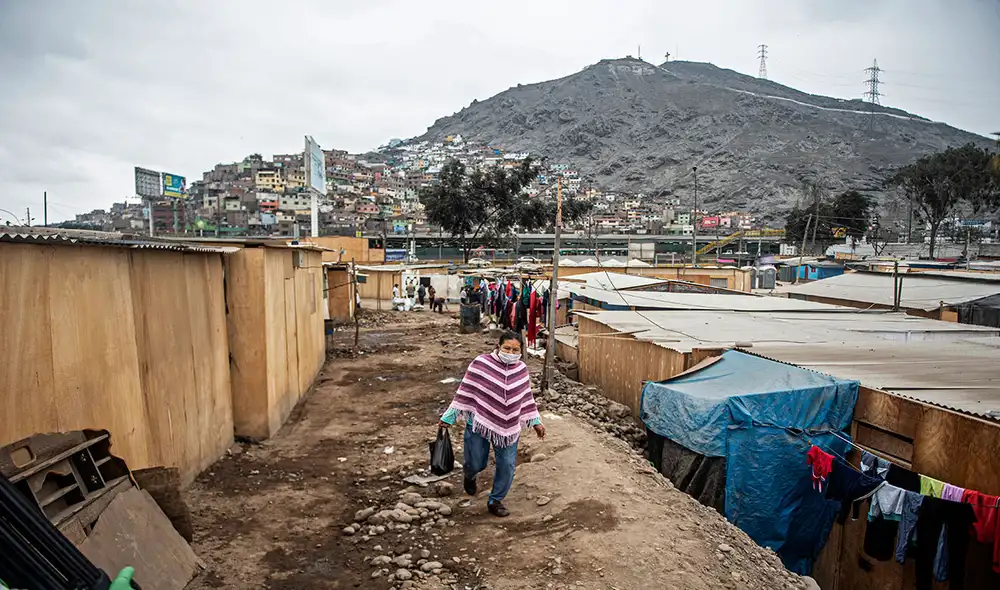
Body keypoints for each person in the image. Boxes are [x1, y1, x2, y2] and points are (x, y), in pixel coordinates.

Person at [439, 331, 545, 517]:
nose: (510, 353)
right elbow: (465, 391)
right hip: (479, 422)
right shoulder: (481, 363)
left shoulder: (521, 369)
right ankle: (469, 475)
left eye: (515, 350)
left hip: (510, 426)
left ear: (521, 351)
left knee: (506, 465)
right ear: (498, 346)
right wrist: (448, 417)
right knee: (475, 462)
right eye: (507, 348)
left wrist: (535, 421)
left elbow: (526, 397)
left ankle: (495, 500)